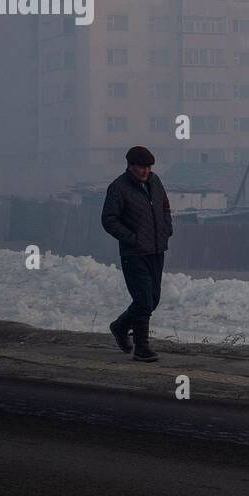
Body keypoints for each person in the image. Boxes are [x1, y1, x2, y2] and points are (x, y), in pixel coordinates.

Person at [100, 146, 173, 362]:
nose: (145, 171)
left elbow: (165, 207)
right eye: (141, 167)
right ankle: (142, 348)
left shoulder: (155, 181)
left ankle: (120, 326)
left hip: (156, 250)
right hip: (134, 253)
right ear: (130, 166)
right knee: (142, 300)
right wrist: (132, 239)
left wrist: (167, 228)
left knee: (153, 299)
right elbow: (109, 219)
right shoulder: (119, 188)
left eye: (148, 167)